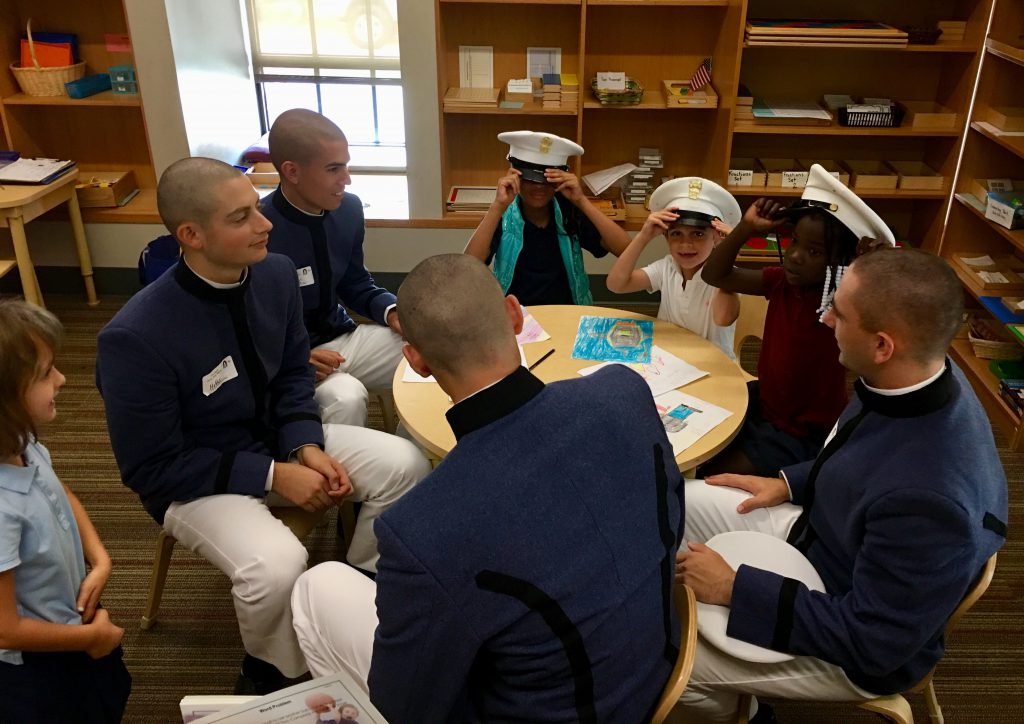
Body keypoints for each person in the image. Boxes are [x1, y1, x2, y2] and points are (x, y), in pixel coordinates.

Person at [291, 254, 685, 722]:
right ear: (515, 315)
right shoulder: (623, 389)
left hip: (552, 709)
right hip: (656, 671)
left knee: (316, 586)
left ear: (414, 359)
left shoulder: (419, 528)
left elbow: (404, 707)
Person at [96, 157, 428, 695]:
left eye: (258, 206)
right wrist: (274, 475)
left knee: (406, 465)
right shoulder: (135, 337)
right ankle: (272, 673)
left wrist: (305, 444)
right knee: (276, 566)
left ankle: (358, 589)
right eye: (242, 216)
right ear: (192, 235)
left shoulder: (272, 274)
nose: (266, 223)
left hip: (274, 444)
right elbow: (151, 469)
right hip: (195, 480)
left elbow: (294, 375)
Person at [675, 248, 1008, 723]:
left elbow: (875, 641)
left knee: (667, 662)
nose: (825, 317)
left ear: (882, 345)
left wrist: (734, 588)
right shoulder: (918, 376)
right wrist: (790, 483)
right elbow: (862, 452)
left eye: (839, 312)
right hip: (825, 540)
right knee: (678, 501)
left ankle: (744, 714)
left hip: (853, 638)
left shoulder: (930, 499)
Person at [700, 164, 895, 476]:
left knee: (715, 474)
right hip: (763, 406)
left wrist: (870, 268)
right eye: (794, 242)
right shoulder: (782, 282)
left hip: (801, 434)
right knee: (697, 437)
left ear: (842, 261)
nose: (795, 256)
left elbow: (884, 310)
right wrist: (746, 228)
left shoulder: (844, 301)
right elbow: (714, 274)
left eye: (815, 252)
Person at [0, 301, 131, 722]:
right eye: (45, 373)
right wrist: (91, 638)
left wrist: (100, 557)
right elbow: (4, 628)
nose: (62, 379)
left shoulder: (21, 444)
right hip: (37, 667)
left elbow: (61, 492)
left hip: (75, 627)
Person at [262, 109, 404, 427]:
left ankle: (411, 459)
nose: (347, 179)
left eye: (346, 166)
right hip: (292, 358)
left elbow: (354, 283)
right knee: (347, 398)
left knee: (430, 350)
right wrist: (294, 359)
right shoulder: (260, 230)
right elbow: (246, 323)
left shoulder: (349, 209)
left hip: (342, 338)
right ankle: (337, 475)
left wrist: (393, 312)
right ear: (292, 171)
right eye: (333, 169)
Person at [464, 131, 631, 306]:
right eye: (530, 179)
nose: (539, 187)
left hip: (568, 311)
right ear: (515, 177)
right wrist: (497, 207)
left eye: (547, 180)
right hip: (517, 315)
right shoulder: (504, 214)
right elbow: (467, 267)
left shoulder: (568, 211)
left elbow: (625, 249)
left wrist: (581, 201)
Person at [607, 176, 741, 359]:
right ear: (665, 236)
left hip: (713, 364)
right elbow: (616, 285)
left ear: (717, 238)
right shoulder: (667, 267)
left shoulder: (726, 275)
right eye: (676, 233)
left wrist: (728, 251)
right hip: (670, 359)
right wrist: (644, 235)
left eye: (698, 234)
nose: (686, 244)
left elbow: (723, 318)